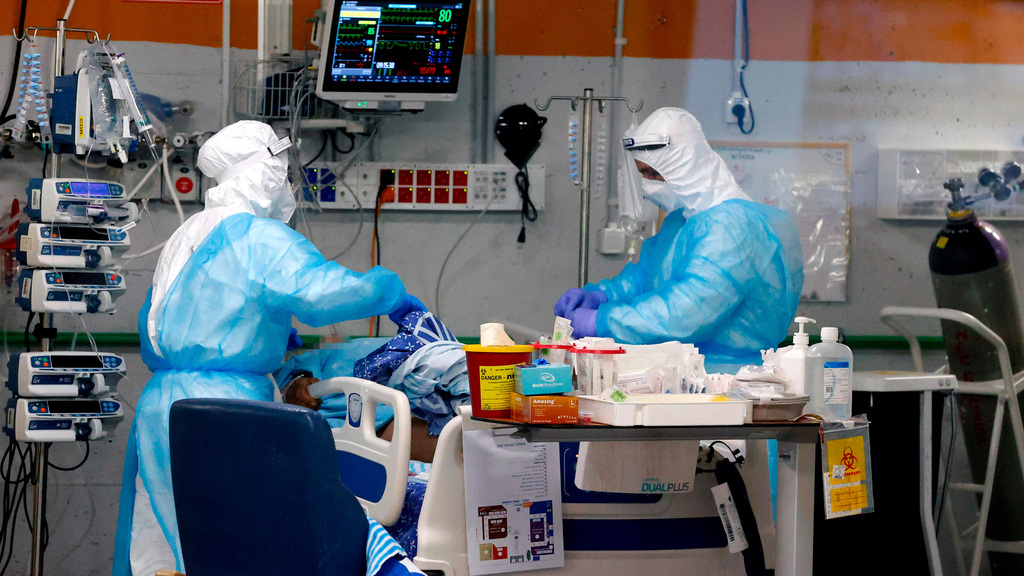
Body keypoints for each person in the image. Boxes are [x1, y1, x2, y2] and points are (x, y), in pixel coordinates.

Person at [113, 121, 425, 576]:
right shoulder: (256, 237)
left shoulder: (189, 232)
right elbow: (321, 293)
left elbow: (169, 316)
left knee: (166, 543)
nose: (287, 184)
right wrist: (389, 292)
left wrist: (261, 330)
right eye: (282, 172)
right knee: (231, 548)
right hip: (226, 413)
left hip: (164, 405)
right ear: (265, 173)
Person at [554, 107, 804, 371]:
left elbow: (689, 311)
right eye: (643, 174)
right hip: (682, 376)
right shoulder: (681, 221)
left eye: (654, 174)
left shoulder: (733, 226)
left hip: (732, 379)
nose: (648, 185)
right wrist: (600, 296)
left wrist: (602, 322)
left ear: (685, 165)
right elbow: (645, 278)